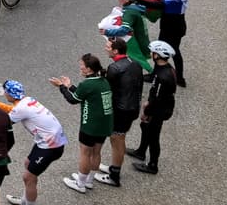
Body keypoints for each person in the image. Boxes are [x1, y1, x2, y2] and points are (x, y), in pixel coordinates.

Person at [0, 80, 65, 205]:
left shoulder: (21, 109)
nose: (4, 94)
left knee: (28, 177)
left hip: (51, 146)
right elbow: (12, 110)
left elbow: (4, 123)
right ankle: (25, 200)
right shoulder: (26, 100)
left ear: (10, 93)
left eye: (5, 91)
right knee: (28, 163)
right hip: (47, 142)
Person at [51, 54, 114, 195]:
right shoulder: (103, 81)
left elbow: (73, 100)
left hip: (90, 125)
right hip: (105, 124)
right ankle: (89, 180)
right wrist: (70, 86)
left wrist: (61, 87)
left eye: (82, 66)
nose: (80, 68)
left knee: (85, 153)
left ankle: (80, 183)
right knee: (96, 152)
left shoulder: (87, 84)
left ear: (89, 69)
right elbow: (83, 94)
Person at [98, 40, 143, 188]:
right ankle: (114, 167)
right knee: (119, 138)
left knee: (117, 140)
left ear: (116, 51)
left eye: (108, 47)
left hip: (120, 110)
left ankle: (114, 175)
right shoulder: (135, 63)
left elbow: (106, 88)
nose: (106, 49)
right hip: (133, 107)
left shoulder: (114, 68)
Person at [129, 41, 179, 174]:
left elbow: (157, 99)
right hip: (159, 105)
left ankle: (152, 165)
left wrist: (146, 111)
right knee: (144, 127)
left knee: (153, 136)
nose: (151, 54)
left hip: (159, 109)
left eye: (153, 52)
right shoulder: (164, 67)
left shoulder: (163, 76)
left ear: (158, 55)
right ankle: (141, 151)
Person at [152, 0, 189, 87]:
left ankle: (179, 78)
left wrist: (137, 0)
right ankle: (162, 74)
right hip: (174, 26)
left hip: (172, 28)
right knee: (163, 50)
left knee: (173, 51)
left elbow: (159, 5)